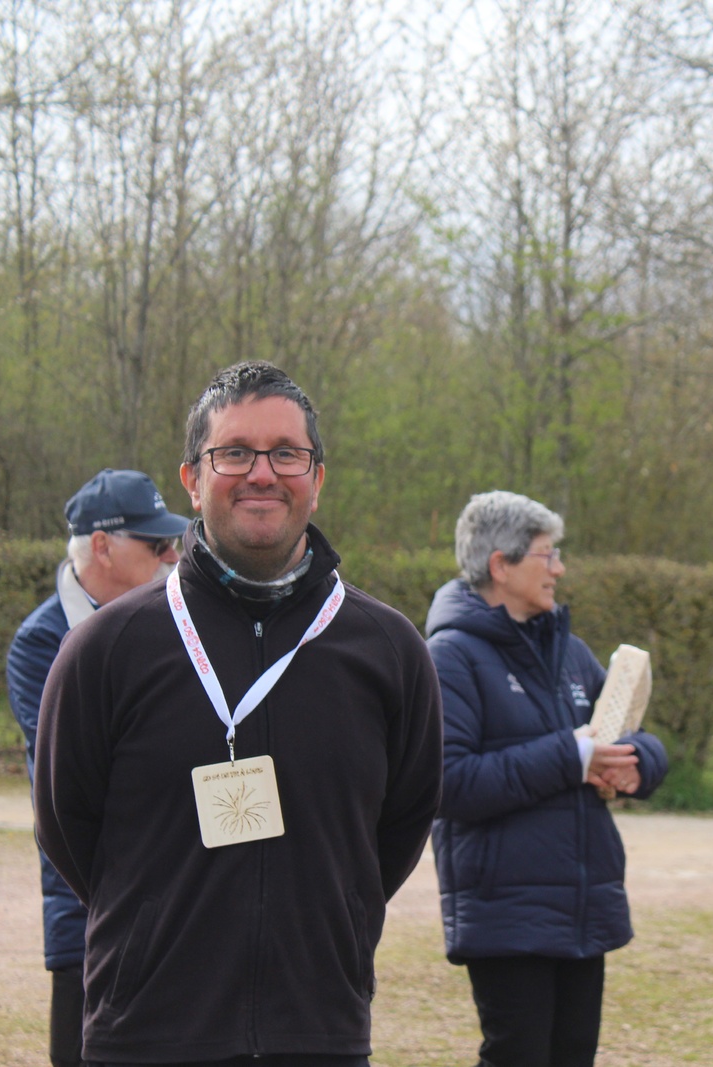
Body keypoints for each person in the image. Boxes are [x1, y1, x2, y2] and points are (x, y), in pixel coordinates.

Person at [33, 361, 443, 1066]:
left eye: (286, 453)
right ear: (193, 480)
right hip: (147, 1034)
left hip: (318, 1031)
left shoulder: (388, 651)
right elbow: (67, 824)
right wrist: (152, 930)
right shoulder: (107, 649)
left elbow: (401, 825)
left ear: (317, 478)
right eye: (234, 453)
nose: (262, 473)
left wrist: (337, 918)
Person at [425, 490, 668, 1067]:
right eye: (546, 554)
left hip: (582, 907)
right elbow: (449, 783)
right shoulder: (449, 658)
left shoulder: (570, 653)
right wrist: (573, 757)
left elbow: (637, 737)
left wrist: (637, 764)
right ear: (500, 565)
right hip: (505, 912)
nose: (559, 568)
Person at [7, 469, 189, 1067]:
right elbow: (85, 774)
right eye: (156, 544)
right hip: (87, 907)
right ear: (104, 546)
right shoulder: (41, 644)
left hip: (182, 901)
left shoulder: (182, 625)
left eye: (173, 543)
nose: (172, 556)